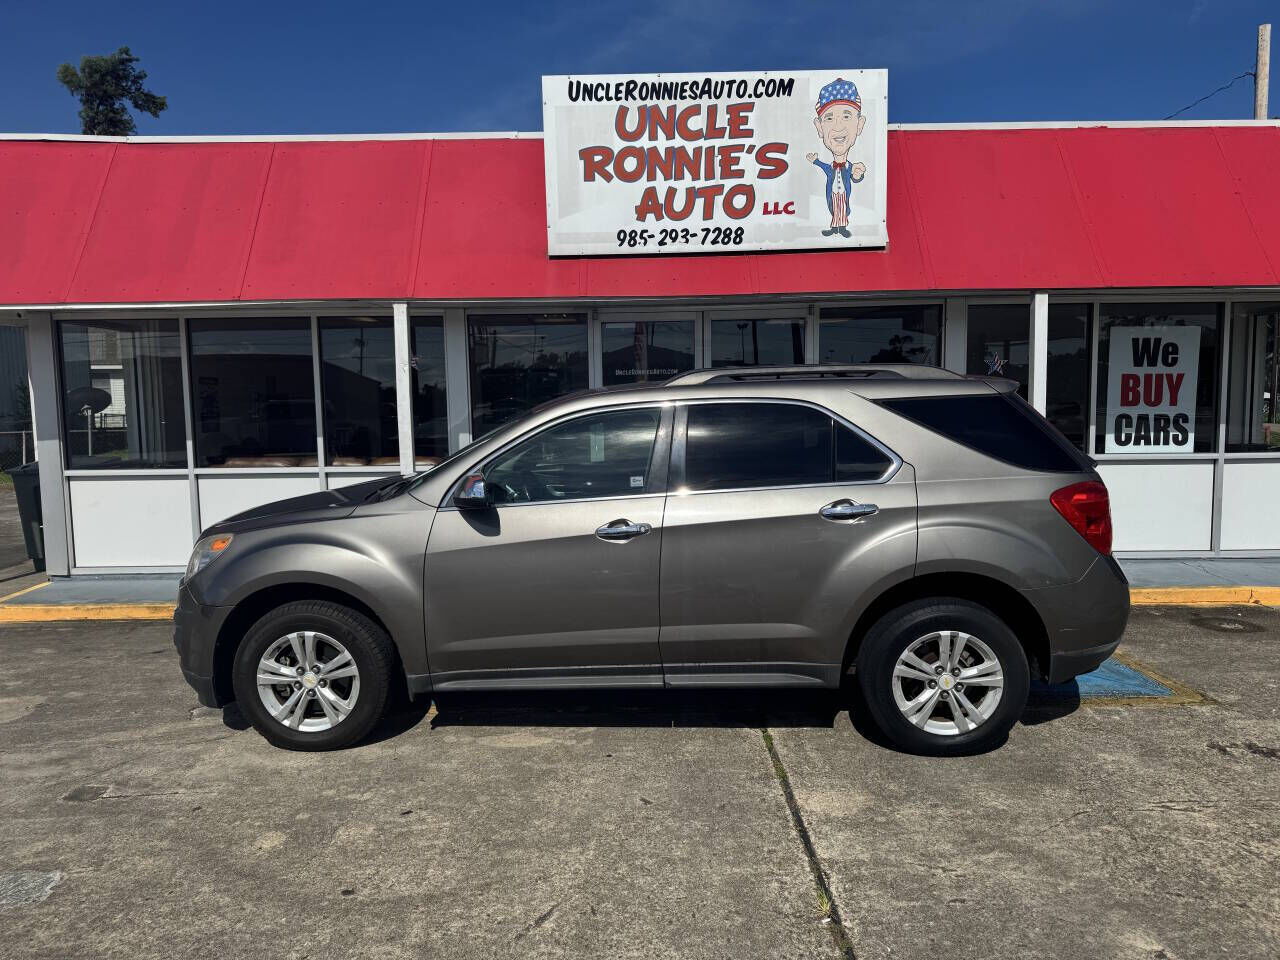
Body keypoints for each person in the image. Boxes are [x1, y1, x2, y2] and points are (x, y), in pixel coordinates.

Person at [806, 77, 868, 238]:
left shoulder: (849, 167)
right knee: (834, 209)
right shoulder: (831, 167)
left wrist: (858, 174)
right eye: (829, 118)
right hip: (833, 195)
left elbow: (855, 176)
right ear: (819, 128)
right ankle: (835, 228)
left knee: (843, 209)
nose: (838, 126)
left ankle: (843, 228)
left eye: (846, 116)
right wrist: (815, 161)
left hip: (842, 195)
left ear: (860, 124)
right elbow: (823, 166)